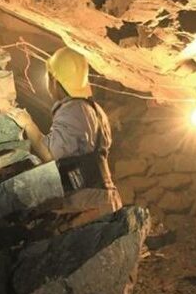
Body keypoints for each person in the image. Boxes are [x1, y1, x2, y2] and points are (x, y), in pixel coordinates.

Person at [11, 46, 122, 223]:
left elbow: (49, 154)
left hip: (86, 202)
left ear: (54, 80)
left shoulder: (73, 110)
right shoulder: (95, 110)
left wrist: (27, 124)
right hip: (104, 197)